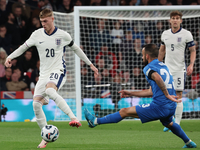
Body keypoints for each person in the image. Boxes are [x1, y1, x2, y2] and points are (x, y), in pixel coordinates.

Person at [5, 8, 98, 148]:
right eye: (41, 21)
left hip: (58, 70)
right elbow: (23, 47)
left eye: (46, 21)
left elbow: (76, 49)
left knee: (49, 91)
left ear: (52, 19)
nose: (43, 24)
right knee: (36, 105)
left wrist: (90, 64)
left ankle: (73, 118)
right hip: (44, 74)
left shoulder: (63, 35)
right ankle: (45, 136)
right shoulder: (37, 34)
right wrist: (10, 56)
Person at [84, 44, 197, 148]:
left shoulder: (148, 68)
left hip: (161, 105)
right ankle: (189, 142)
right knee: (169, 123)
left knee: (124, 111)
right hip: (170, 106)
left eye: (143, 55)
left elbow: (157, 77)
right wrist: (131, 93)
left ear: (147, 56)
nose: (142, 57)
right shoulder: (163, 66)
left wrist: (167, 94)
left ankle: (95, 121)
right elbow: (151, 91)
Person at [158, 11, 196, 132]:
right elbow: (162, 50)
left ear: (181, 20)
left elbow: (193, 50)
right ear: (170, 20)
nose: (175, 20)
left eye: (177, 18)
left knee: (178, 96)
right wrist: (157, 65)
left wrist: (191, 64)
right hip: (167, 70)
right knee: (168, 96)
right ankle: (170, 122)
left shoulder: (186, 34)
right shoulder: (165, 34)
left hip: (180, 70)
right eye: (173, 18)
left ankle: (177, 123)